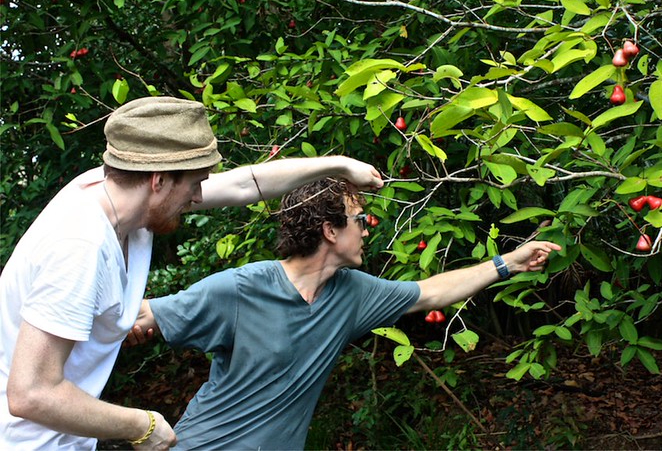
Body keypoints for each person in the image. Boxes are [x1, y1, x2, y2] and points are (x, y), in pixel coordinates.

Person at [0, 96, 384, 450]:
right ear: (159, 180)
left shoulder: (113, 195)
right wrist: (142, 425)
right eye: (195, 184)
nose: (200, 197)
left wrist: (338, 165)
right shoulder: (79, 245)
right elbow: (31, 393)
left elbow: (243, 184)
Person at [128, 177, 562, 450]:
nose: (366, 227)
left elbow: (429, 293)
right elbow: (139, 317)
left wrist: (508, 263)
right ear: (330, 230)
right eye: (359, 218)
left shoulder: (352, 292)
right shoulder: (241, 289)